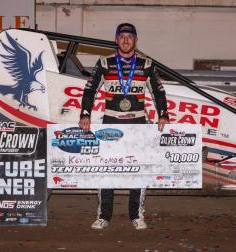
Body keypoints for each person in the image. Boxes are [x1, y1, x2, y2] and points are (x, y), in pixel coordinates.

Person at [78, 23, 169, 230]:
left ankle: (136, 215)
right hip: (111, 121)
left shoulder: (146, 64)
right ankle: (103, 215)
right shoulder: (104, 62)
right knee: (107, 170)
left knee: (139, 170)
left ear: (136, 40)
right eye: (122, 36)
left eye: (130, 36)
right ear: (116, 40)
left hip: (138, 122)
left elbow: (158, 91)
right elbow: (89, 90)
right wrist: (85, 113)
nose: (126, 40)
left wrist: (164, 114)